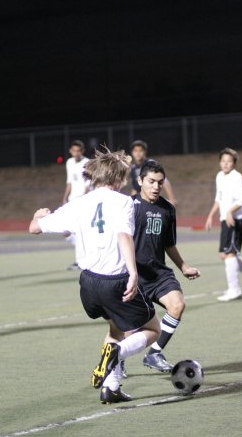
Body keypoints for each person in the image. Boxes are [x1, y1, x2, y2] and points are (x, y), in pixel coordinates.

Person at [29, 147, 161, 404]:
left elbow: (34, 228)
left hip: (88, 283)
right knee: (152, 328)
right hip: (115, 281)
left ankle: (110, 388)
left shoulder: (77, 204)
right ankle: (118, 352)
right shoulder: (124, 201)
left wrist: (37, 216)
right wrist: (133, 273)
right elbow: (124, 235)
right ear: (119, 178)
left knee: (115, 326)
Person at [129, 159, 200, 373]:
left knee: (177, 305)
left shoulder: (167, 209)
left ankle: (154, 354)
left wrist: (184, 266)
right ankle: (118, 363)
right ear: (140, 181)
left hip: (159, 273)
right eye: (151, 181)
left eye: (160, 182)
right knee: (128, 325)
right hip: (133, 275)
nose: (156, 187)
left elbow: (169, 244)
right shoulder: (128, 206)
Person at [205, 147, 242, 302]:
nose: (225, 164)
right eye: (223, 161)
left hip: (237, 219)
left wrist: (230, 212)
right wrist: (210, 216)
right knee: (224, 255)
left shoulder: (237, 177)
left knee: (230, 254)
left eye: (229, 161)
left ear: (234, 164)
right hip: (226, 219)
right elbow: (218, 199)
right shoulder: (219, 176)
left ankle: (234, 290)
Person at [62, 140, 90, 270]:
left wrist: (83, 199)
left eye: (78, 151)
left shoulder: (87, 163)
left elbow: (88, 185)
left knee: (80, 230)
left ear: (82, 151)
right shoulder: (69, 162)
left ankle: (81, 261)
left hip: (83, 202)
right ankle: (82, 258)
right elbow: (70, 182)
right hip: (72, 201)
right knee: (67, 231)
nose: (76, 153)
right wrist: (64, 198)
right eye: (74, 150)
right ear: (70, 151)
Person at [129, 140, 177, 205]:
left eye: (140, 150)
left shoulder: (151, 163)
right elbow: (135, 188)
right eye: (135, 151)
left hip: (152, 201)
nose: (138, 153)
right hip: (141, 202)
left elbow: (165, 181)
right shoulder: (133, 168)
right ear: (132, 152)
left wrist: (172, 199)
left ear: (145, 152)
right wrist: (131, 202)